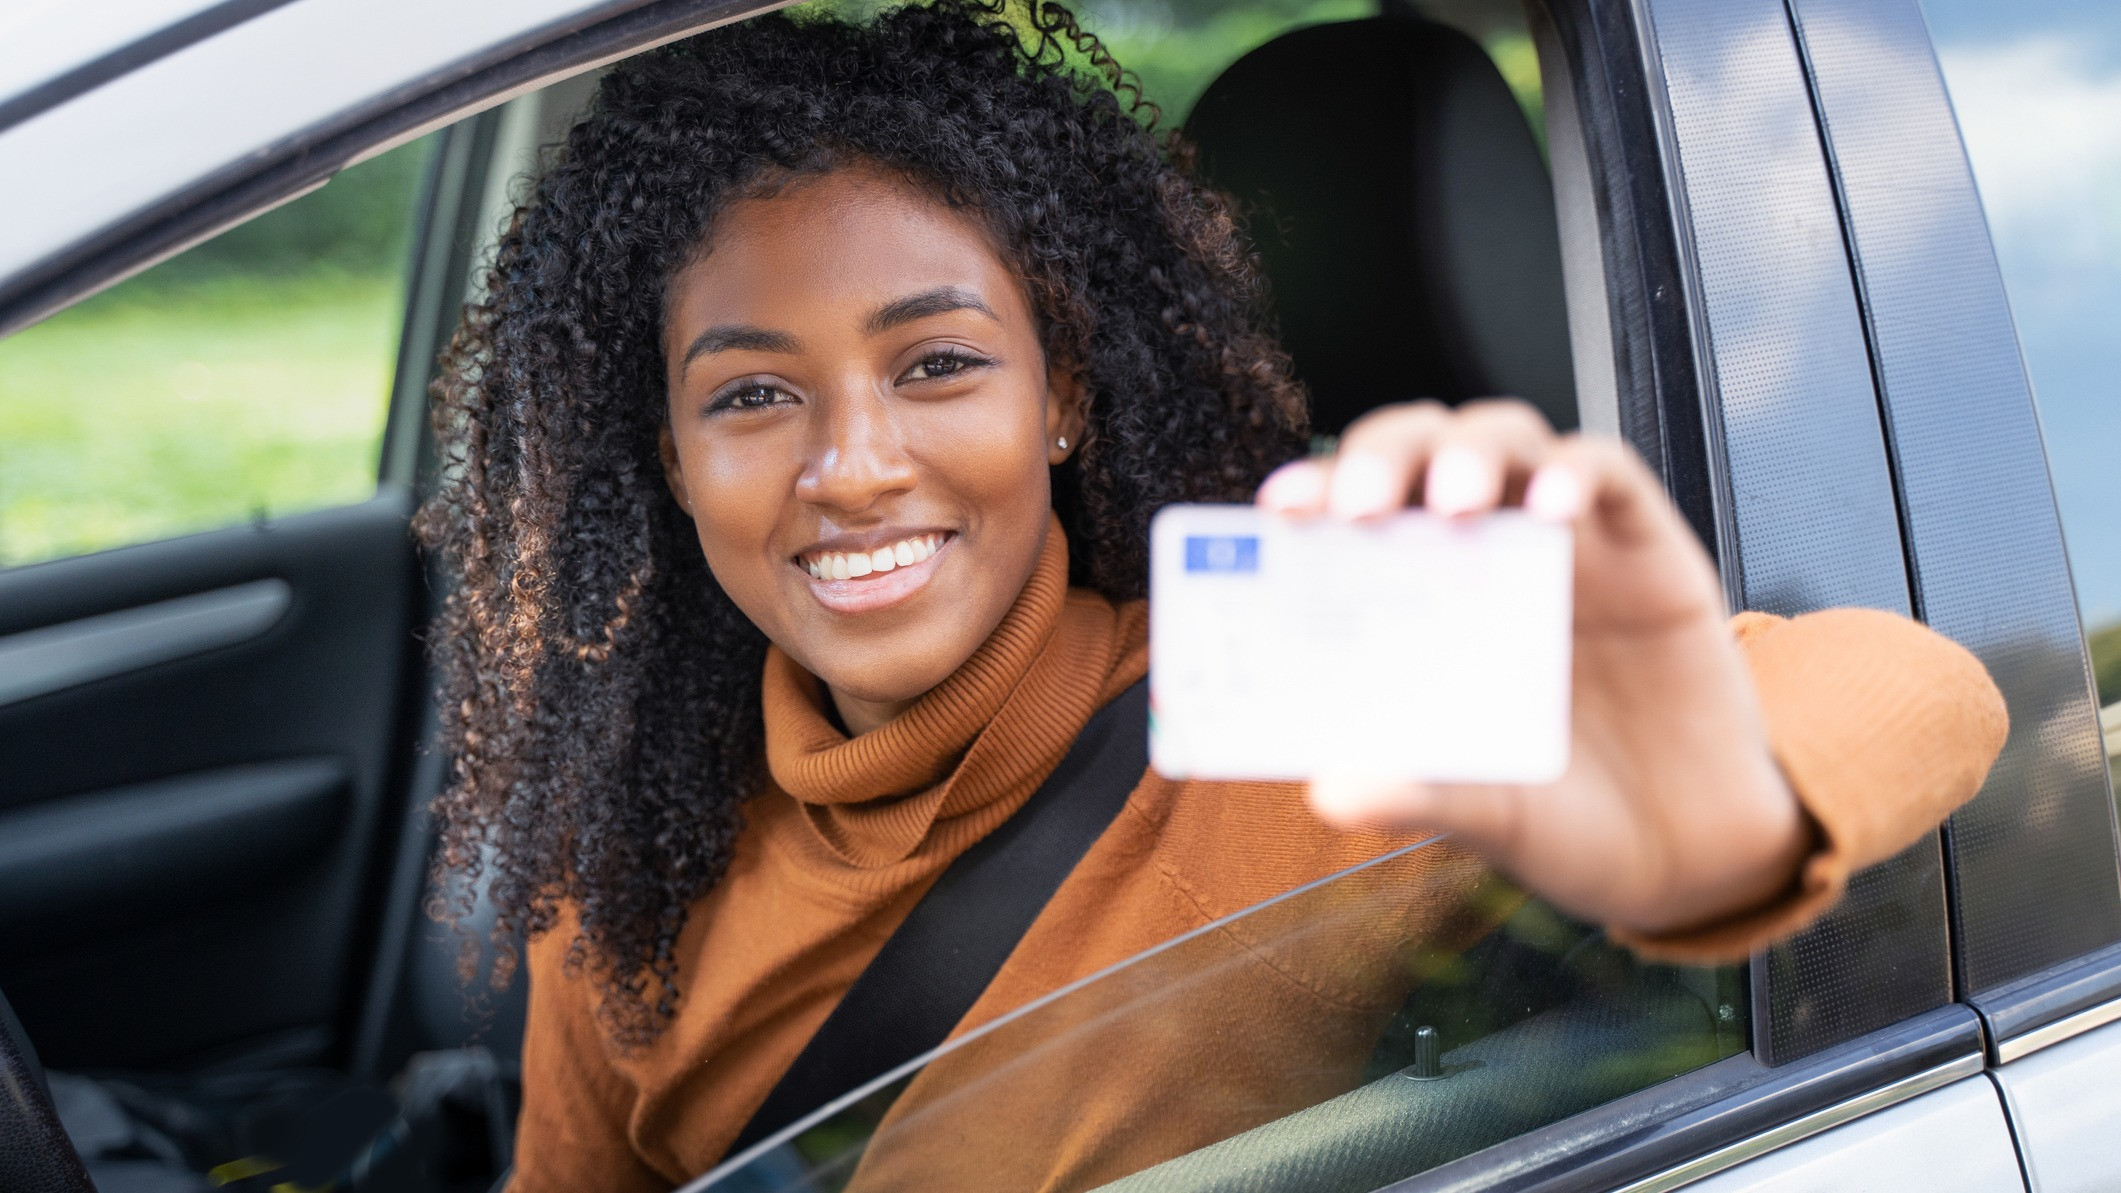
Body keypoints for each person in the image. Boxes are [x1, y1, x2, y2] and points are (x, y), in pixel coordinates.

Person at [412, 2, 2009, 1189]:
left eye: (940, 363)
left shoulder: (1282, 670)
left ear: (1063, 398)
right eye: (752, 397)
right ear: (672, 463)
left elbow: (1915, 679)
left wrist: (1718, 833)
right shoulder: (628, 843)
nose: (854, 463)